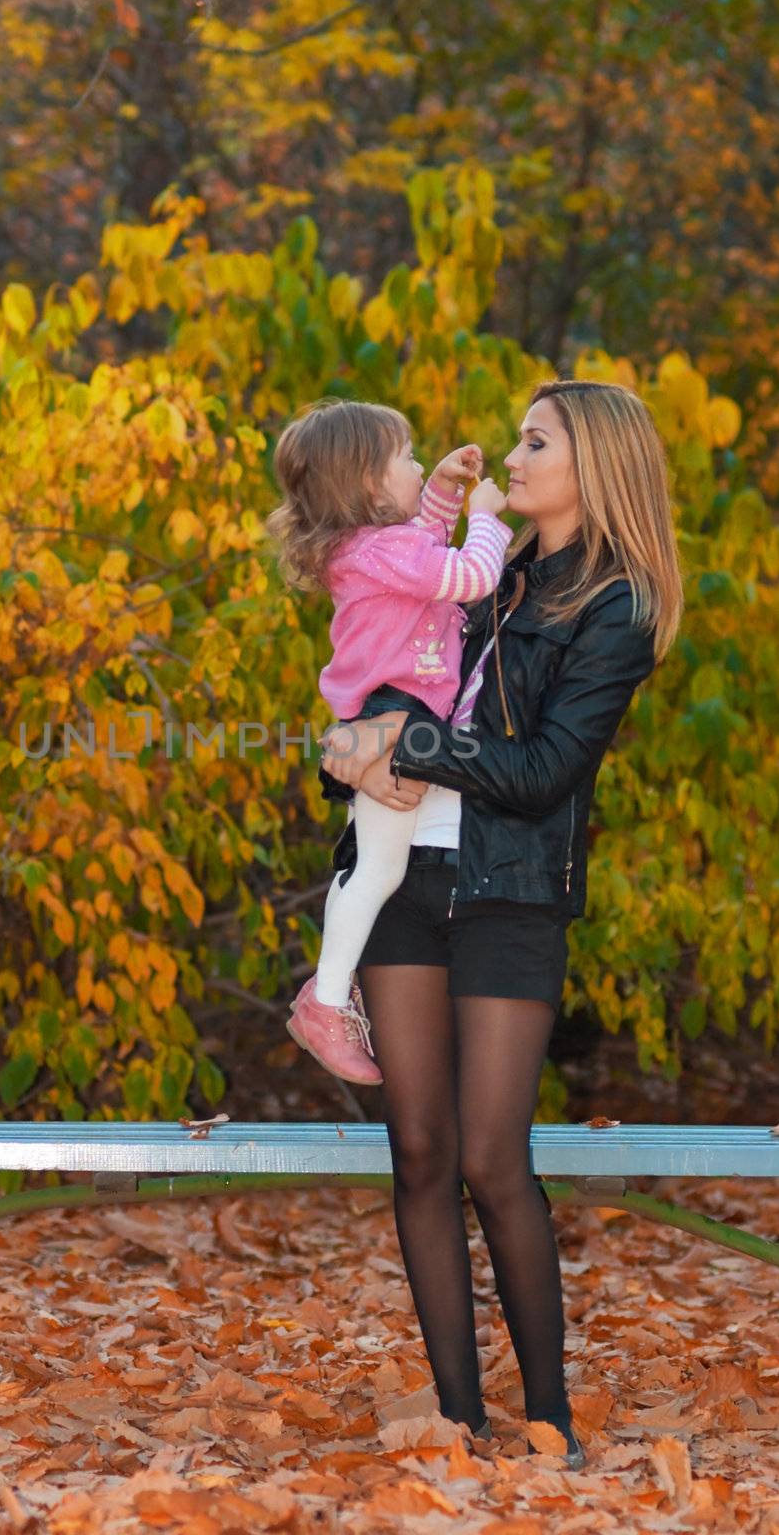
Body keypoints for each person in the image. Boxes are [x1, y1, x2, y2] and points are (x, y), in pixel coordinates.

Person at [318, 379, 684, 1469]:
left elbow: (544, 770)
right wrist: (337, 746)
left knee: (491, 1155)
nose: (511, 458)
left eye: (535, 442)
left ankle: (552, 1415)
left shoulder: (614, 605)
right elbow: (375, 682)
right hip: (400, 889)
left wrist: (403, 747)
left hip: (512, 891)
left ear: (594, 468)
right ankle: (460, 1418)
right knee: (420, 1150)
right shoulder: (483, 573)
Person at [264, 398, 513, 1084]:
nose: (417, 464)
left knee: (378, 866)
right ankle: (324, 997)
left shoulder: (375, 548)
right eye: (406, 458)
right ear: (371, 486)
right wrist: (485, 516)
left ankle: (327, 992)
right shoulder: (383, 550)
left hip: (389, 716)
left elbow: (424, 545)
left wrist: (441, 491)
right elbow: (467, 575)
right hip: (391, 712)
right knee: (376, 871)